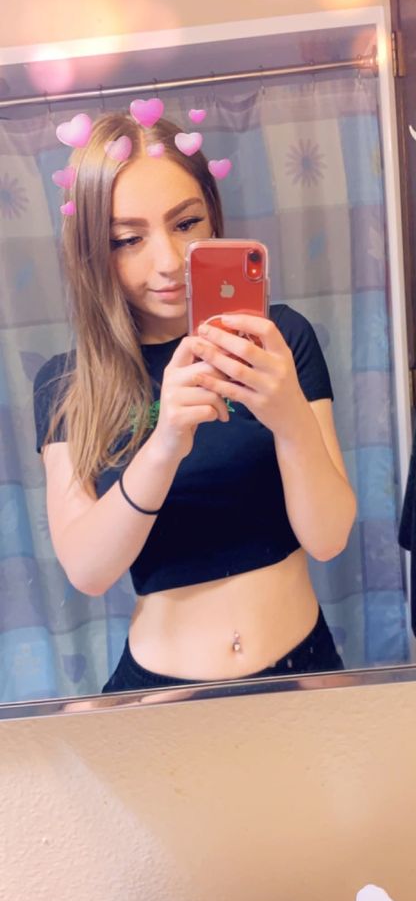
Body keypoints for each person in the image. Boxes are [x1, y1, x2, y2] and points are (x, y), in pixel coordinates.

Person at [33, 110, 356, 693]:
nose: (168, 261)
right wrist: (164, 445)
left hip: (302, 670)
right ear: (92, 252)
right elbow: (88, 570)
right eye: (128, 239)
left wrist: (289, 417)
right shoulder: (70, 384)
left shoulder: (278, 341)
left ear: (213, 216)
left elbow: (329, 537)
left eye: (186, 223)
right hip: (161, 696)